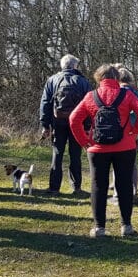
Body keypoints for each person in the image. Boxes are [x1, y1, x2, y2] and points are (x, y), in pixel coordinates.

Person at [70, 64, 138, 238]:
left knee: (98, 185)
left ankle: (99, 228)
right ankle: (126, 226)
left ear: (98, 78)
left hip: (97, 148)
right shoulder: (127, 94)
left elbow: (74, 119)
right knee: (124, 185)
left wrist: (84, 141)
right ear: (117, 78)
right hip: (125, 147)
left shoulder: (90, 96)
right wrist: (135, 131)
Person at [39, 55, 92, 196]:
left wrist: (45, 125)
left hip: (58, 122)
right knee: (75, 155)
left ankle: (54, 188)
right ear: (75, 66)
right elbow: (89, 106)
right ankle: (76, 188)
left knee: (57, 154)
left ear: (62, 65)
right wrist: (87, 126)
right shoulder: (83, 82)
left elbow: (45, 103)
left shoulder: (52, 80)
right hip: (77, 124)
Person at [109, 66, 138, 204]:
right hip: (134, 133)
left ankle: (118, 193)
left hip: (119, 132)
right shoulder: (137, 94)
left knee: (117, 163)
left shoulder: (116, 93)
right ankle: (133, 191)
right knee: (132, 164)